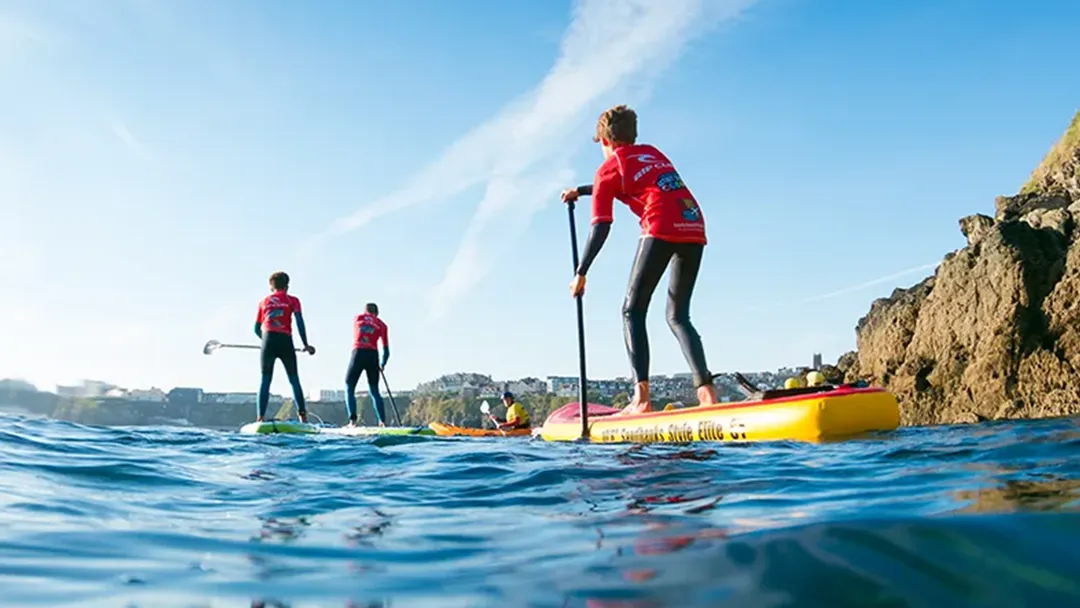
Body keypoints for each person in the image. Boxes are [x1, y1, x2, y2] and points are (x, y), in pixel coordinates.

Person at [561, 104, 716, 415]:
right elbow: (626, 183)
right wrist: (581, 190)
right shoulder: (652, 153)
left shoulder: (607, 169)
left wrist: (581, 272)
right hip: (693, 222)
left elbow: (602, 225)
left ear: (604, 141)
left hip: (660, 226)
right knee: (678, 316)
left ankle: (641, 400)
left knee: (632, 310)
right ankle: (708, 396)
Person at [254, 271, 315, 423]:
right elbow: (300, 322)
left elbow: (256, 329)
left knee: (265, 380)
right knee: (294, 379)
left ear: (271, 287)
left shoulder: (263, 301)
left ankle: (260, 418)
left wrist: (265, 342)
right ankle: (303, 418)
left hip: (268, 341)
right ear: (287, 286)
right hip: (285, 341)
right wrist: (306, 344)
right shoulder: (292, 300)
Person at [345, 302, 390, 427]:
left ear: (365, 311)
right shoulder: (382, 325)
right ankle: (382, 422)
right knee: (374, 391)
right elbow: (386, 351)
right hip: (373, 356)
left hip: (358, 353)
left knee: (349, 386)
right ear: (377, 313)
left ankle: (352, 422)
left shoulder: (357, 318)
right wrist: (382, 364)